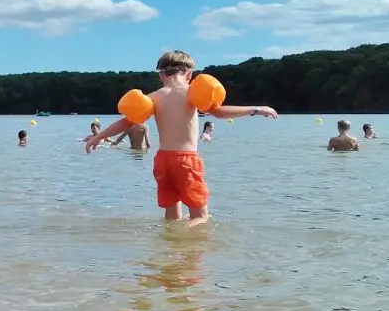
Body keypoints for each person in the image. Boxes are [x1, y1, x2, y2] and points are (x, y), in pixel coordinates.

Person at [85, 50, 278, 226]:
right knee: (200, 217)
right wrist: (256, 109)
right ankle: (186, 248)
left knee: (172, 218)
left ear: (161, 75)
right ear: (189, 74)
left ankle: (169, 255)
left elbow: (126, 122)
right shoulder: (190, 93)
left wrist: (99, 137)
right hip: (186, 160)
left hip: (162, 161)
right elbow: (219, 112)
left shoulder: (153, 97)